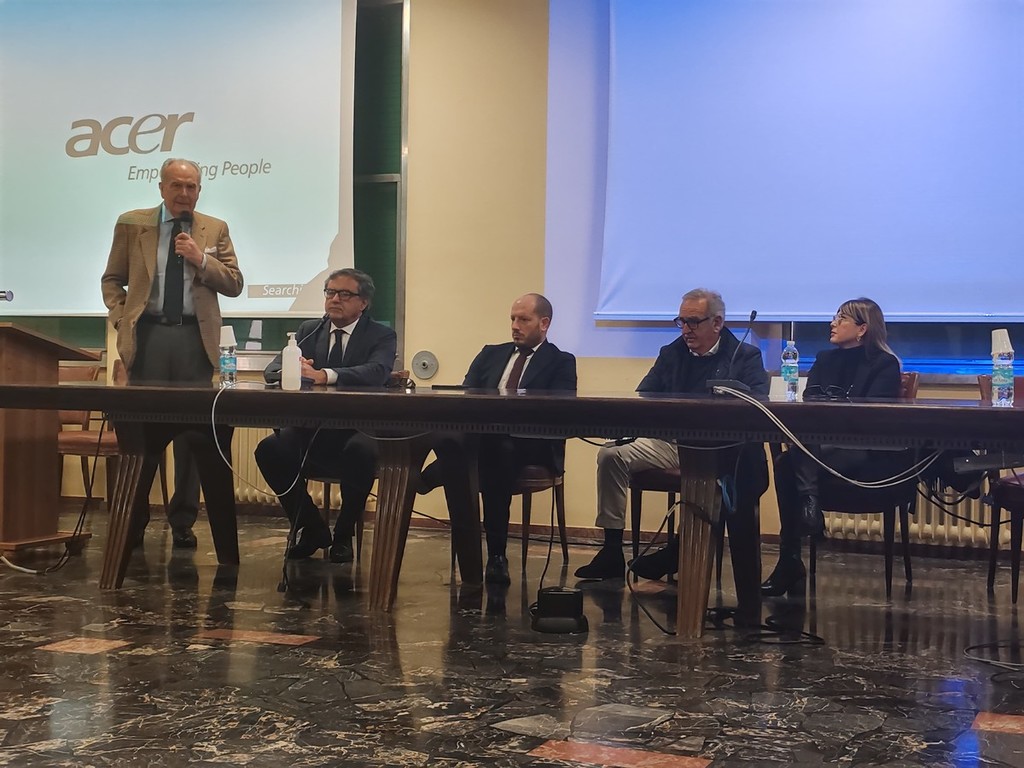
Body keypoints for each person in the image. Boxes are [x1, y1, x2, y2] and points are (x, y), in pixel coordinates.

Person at [574, 288, 769, 581]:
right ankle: (612, 550)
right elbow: (644, 396)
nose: (686, 329)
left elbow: (758, 404)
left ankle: (679, 550)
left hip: (718, 449)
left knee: (708, 473)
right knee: (611, 454)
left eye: (693, 322)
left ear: (717, 323)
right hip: (670, 443)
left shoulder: (744, 356)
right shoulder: (672, 353)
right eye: (681, 322)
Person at [100, 157, 244, 549]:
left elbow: (234, 283)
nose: (184, 193)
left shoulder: (214, 228)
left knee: (194, 437)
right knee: (141, 435)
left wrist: (201, 259)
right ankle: (134, 521)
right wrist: (121, 318)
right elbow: (112, 279)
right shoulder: (133, 223)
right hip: (148, 337)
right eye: (176, 185)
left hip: (194, 340)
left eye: (191, 186)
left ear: (199, 190)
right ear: (161, 187)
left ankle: (182, 520)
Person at [419, 293, 577, 585]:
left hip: (533, 443)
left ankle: (434, 474)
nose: (515, 326)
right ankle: (496, 557)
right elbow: (467, 396)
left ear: (544, 323)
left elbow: (557, 412)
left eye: (524, 319)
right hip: (488, 442)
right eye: (513, 319)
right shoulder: (490, 353)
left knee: (489, 452)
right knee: (485, 449)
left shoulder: (561, 361)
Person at [761, 297, 902, 597]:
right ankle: (799, 534)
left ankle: (794, 549)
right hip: (822, 449)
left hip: (864, 453)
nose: (832, 323)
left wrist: (834, 414)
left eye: (841, 319)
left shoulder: (884, 364)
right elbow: (810, 403)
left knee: (791, 461)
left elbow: (870, 418)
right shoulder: (825, 358)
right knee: (790, 461)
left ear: (862, 329)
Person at [256, 268, 397, 563]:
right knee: (269, 449)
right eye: (330, 292)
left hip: (359, 430)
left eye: (344, 294)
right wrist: (295, 368)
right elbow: (271, 371)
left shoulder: (381, 335)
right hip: (312, 429)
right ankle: (311, 527)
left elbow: (377, 372)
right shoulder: (310, 330)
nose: (335, 299)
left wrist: (324, 375)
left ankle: (344, 535)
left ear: (363, 302)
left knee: (360, 451)